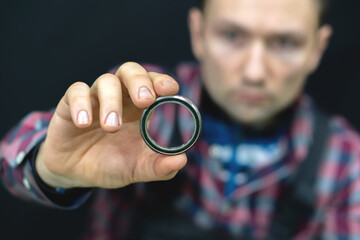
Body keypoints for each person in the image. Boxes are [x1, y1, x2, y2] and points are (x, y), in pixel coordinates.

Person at [1, 0, 360, 239]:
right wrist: (50, 168)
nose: (254, 72)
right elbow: (9, 162)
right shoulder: (134, 109)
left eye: (284, 43)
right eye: (232, 36)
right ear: (198, 32)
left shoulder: (346, 164)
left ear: (317, 48)